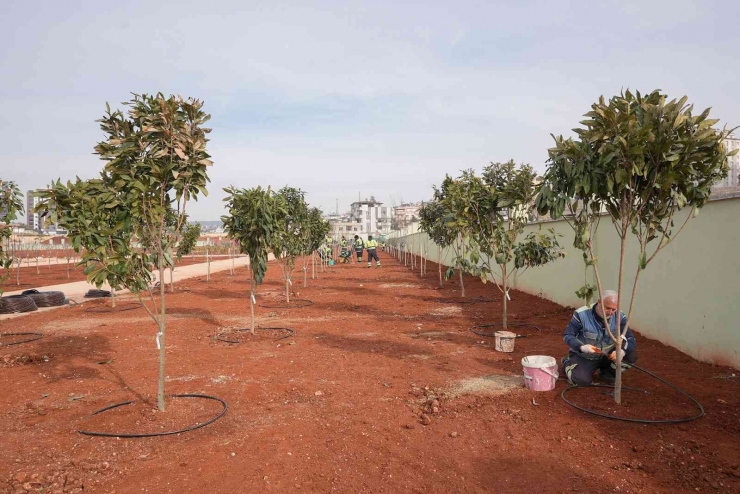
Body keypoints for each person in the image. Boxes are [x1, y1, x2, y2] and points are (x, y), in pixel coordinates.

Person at [561, 290, 638, 386]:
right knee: (581, 381)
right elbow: (568, 335)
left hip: (607, 356)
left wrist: (622, 351)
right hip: (586, 356)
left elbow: (630, 339)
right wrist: (582, 347)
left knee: (631, 355)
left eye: (614, 309)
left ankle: (608, 374)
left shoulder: (620, 316)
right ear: (599, 302)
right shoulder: (581, 315)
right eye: (607, 308)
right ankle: (567, 362)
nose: (610, 313)